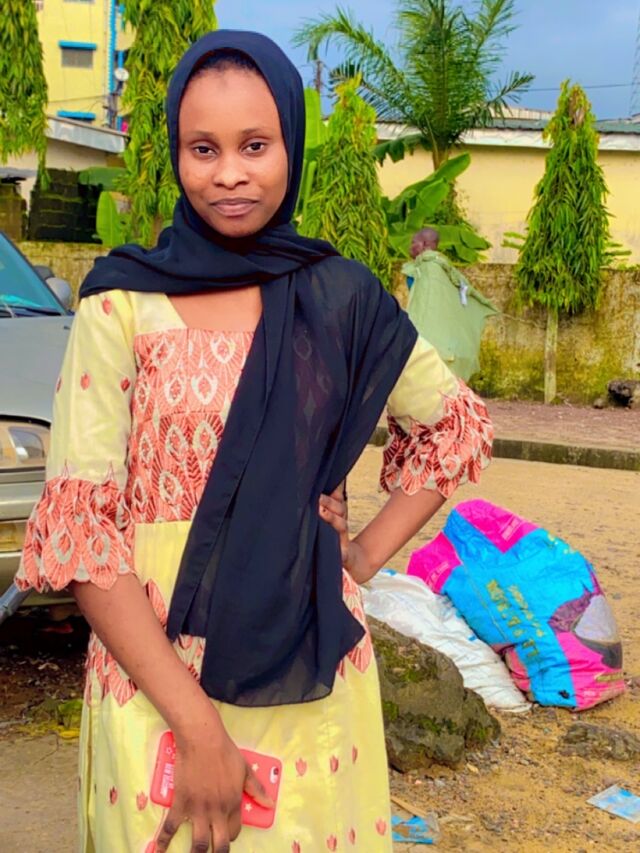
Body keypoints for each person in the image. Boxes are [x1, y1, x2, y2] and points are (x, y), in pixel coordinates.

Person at [15, 31, 493, 853]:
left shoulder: (340, 298)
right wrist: (197, 727)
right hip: (154, 674)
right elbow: (83, 537)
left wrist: (362, 556)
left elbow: (453, 423)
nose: (229, 172)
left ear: (290, 148)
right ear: (177, 154)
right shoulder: (120, 303)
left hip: (310, 672)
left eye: (255, 145)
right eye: (203, 148)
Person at [403, 227, 498, 382]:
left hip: (431, 340)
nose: (410, 247)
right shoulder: (437, 267)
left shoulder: (431, 268)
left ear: (424, 244)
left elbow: (427, 308)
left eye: (414, 242)